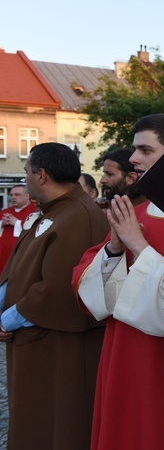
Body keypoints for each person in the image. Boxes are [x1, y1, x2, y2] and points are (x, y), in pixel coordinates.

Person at [72, 114, 164, 450]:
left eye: (145, 150)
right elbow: (94, 297)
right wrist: (114, 247)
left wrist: (138, 247)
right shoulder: (133, 216)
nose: (133, 159)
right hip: (120, 358)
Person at [0, 143, 109, 450]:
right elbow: (18, 266)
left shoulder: (79, 216)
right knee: (35, 419)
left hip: (60, 346)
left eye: (26, 172)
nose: (25, 179)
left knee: (57, 423)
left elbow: (60, 286)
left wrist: (7, 319)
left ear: (42, 175)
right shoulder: (51, 212)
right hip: (36, 338)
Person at [0, 185, 36, 274]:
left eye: (17, 195)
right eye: (11, 195)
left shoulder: (35, 212)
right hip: (2, 255)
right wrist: (1, 223)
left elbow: (35, 230)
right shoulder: (5, 212)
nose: (13, 197)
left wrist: (16, 223)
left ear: (27, 196)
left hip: (21, 255)